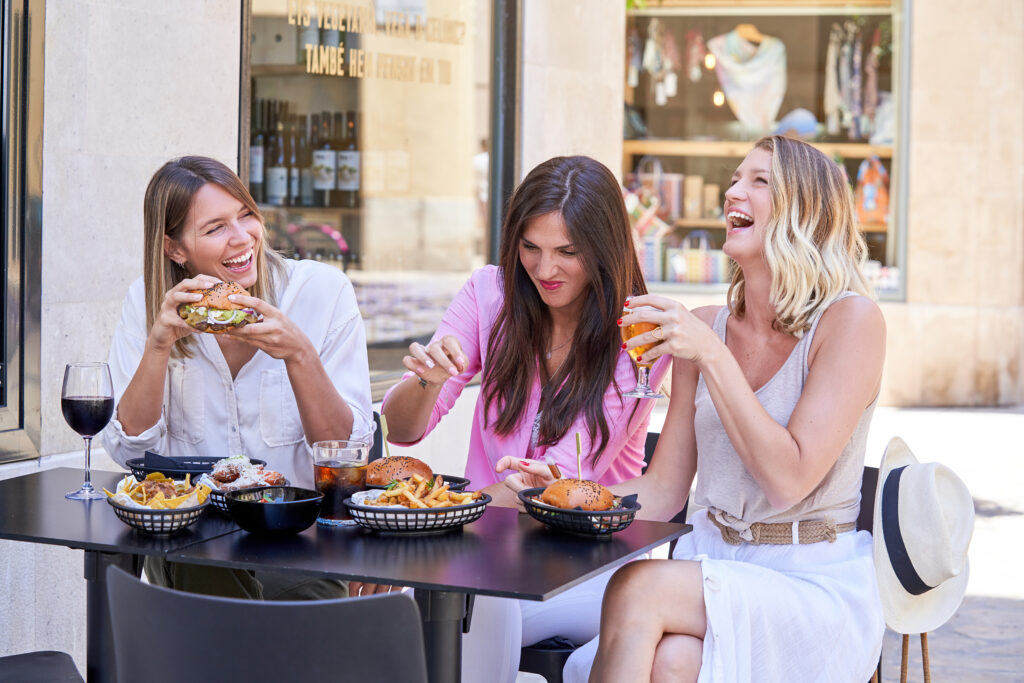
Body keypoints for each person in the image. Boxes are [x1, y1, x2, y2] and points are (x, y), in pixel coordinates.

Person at [506, 136, 887, 682]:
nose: (734, 190)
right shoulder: (705, 325)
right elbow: (663, 493)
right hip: (710, 568)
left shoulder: (851, 323)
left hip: (807, 583)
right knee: (673, 662)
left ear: (806, 210)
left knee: (637, 585)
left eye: (759, 181)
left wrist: (711, 354)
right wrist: (567, 496)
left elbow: (789, 479)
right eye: (736, 178)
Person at [380, 155, 671, 681]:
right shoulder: (489, 294)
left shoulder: (636, 339)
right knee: (417, 606)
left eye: (568, 252)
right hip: (486, 543)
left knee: (474, 603)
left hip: (587, 559)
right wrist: (427, 379)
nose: (544, 269)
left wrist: (434, 515)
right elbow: (402, 432)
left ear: (604, 252)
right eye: (530, 248)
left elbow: (543, 490)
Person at [100, 155, 374, 600]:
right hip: (191, 546)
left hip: (299, 547)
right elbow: (128, 448)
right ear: (175, 248)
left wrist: (297, 353)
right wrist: (158, 345)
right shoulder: (148, 303)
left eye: (246, 215)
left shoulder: (321, 292)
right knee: (207, 586)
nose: (242, 237)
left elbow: (345, 453)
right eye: (215, 228)